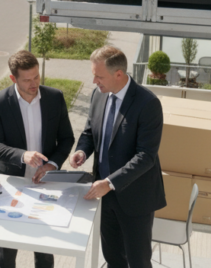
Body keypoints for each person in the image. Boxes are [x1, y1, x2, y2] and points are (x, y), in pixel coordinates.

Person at [69, 46, 165, 268]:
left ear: (118, 74)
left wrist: (110, 183)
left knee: (138, 262)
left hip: (135, 198)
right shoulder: (98, 95)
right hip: (105, 196)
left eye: (99, 76)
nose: (94, 81)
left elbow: (146, 156)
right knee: (113, 258)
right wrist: (82, 151)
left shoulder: (148, 104)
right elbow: (89, 132)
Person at [0, 50, 75, 268]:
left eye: (36, 76)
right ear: (13, 78)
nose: (34, 83)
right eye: (27, 80)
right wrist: (22, 155)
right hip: (11, 184)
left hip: (45, 183)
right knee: (6, 252)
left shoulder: (55, 97)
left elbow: (66, 138)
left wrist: (52, 164)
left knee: (45, 250)